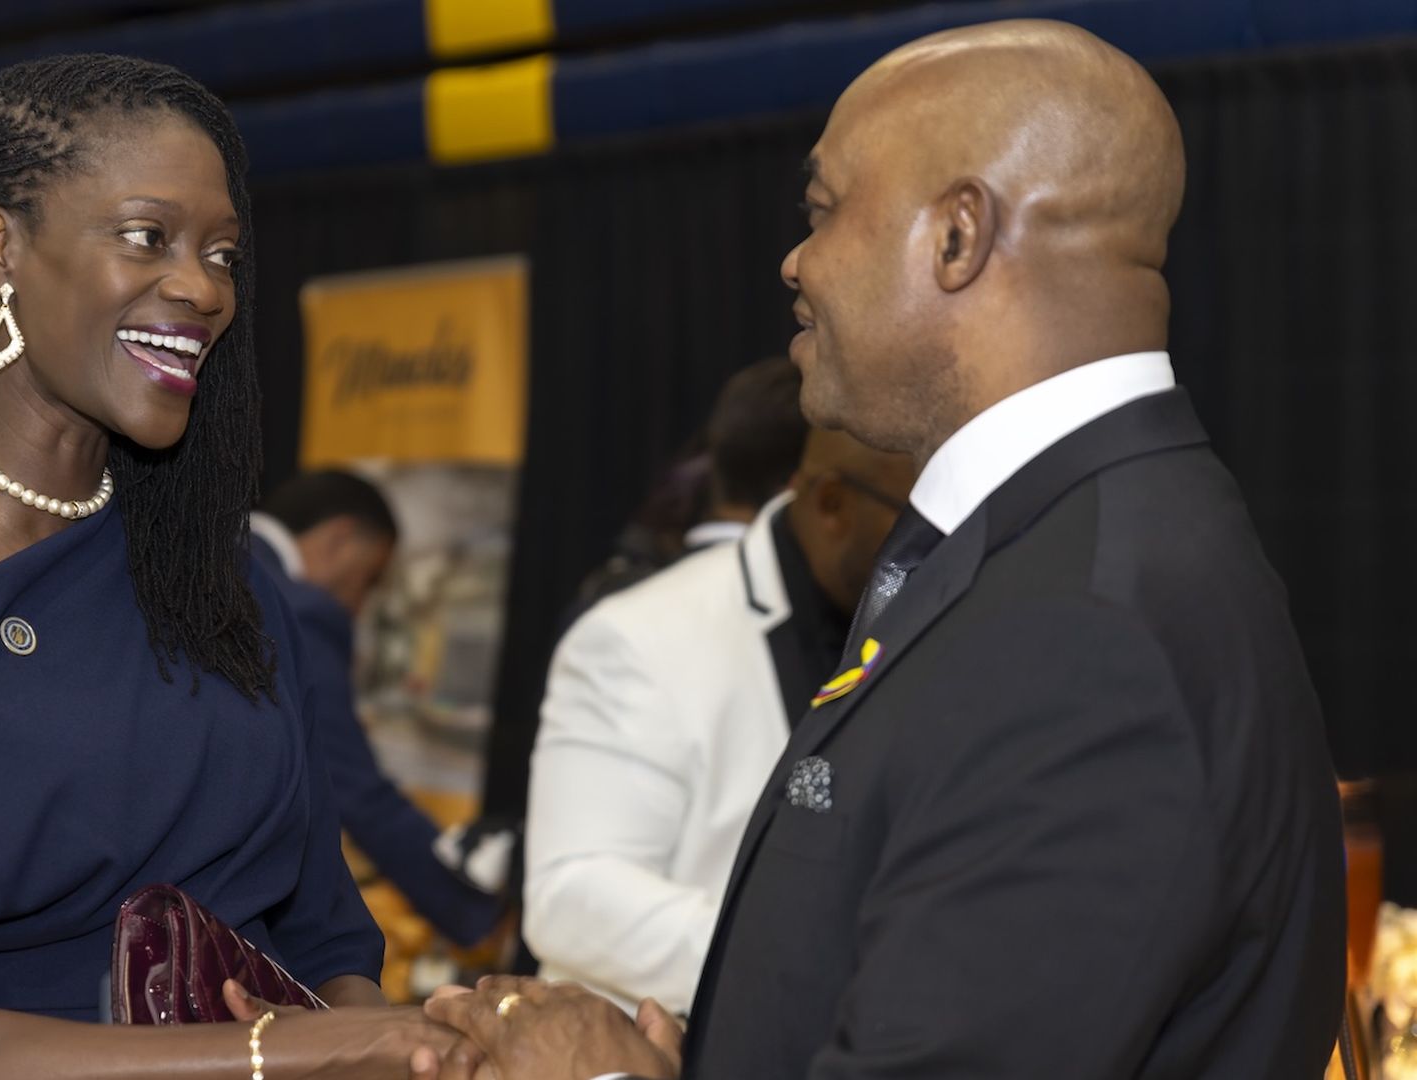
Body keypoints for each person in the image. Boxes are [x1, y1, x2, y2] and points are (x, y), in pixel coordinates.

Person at [413, 19, 1345, 1080]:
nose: (794, 260)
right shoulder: (1065, 542)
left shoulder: (1082, 630)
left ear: (958, 237)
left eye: (821, 210)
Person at [0, 54, 458, 1078]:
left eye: (222, 253)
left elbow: (328, 936)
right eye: (146, 236)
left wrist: (391, 1048)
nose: (203, 287)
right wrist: (285, 1053)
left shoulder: (225, 574)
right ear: (1, 246)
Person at [524, 359, 914, 1014]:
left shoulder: (922, 616)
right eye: (912, 518)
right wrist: (829, 959)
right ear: (830, 505)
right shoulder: (639, 635)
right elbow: (571, 894)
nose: (934, 543)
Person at [252, 470, 503, 947]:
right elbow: (349, 785)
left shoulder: (191, 545)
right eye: (368, 581)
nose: (358, 606)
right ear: (339, 539)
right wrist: (480, 915)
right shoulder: (297, 607)